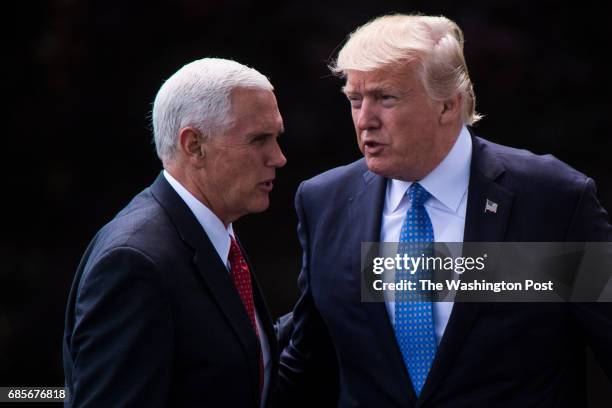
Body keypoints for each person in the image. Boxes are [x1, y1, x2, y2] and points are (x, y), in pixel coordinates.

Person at [278, 14, 612, 407]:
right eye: (355, 100)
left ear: (448, 105)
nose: (365, 120)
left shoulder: (550, 197)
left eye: (386, 98)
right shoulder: (323, 201)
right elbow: (306, 363)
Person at [63, 58, 287, 407]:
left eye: (276, 138)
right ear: (194, 145)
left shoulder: (211, 228)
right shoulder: (135, 262)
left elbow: (233, 355)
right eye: (259, 140)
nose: (278, 157)